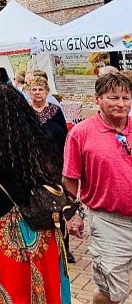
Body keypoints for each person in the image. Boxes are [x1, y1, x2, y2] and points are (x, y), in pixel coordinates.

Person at [0, 83, 70, 303]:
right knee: (47, 290)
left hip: (3, 233)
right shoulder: (39, 138)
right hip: (42, 228)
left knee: (11, 293)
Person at [64, 73, 132, 304]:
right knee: (113, 292)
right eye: (114, 97)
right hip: (109, 222)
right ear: (98, 100)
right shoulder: (81, 133)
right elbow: (70, 179)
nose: (121, 103)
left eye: (126, 97)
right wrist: (72, 216)